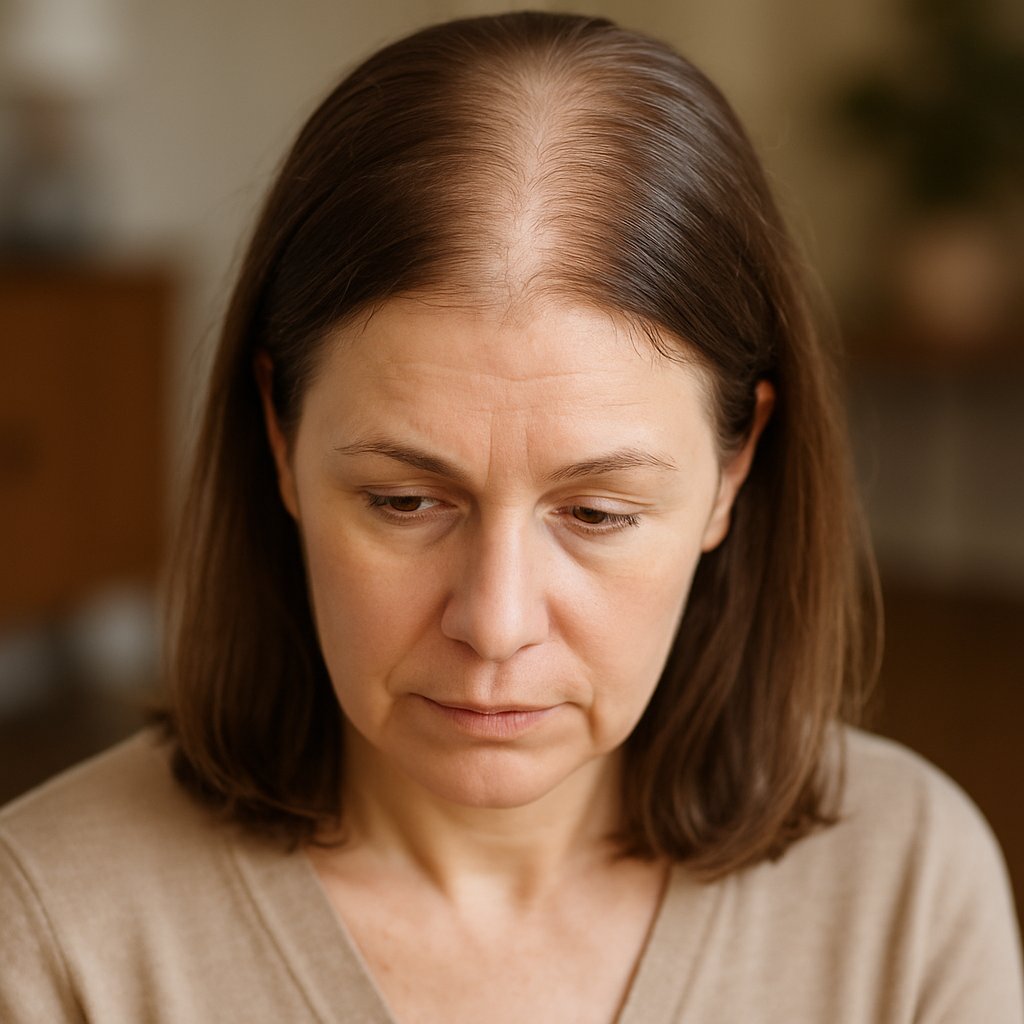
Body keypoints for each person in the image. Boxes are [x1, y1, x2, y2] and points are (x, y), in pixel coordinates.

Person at [1, 11, 1021, 1023]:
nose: (495, 623)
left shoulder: (906, 888)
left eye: (596, 511)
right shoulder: (52, 932)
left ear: (733, 465)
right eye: (404, 501)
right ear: (279, 436)